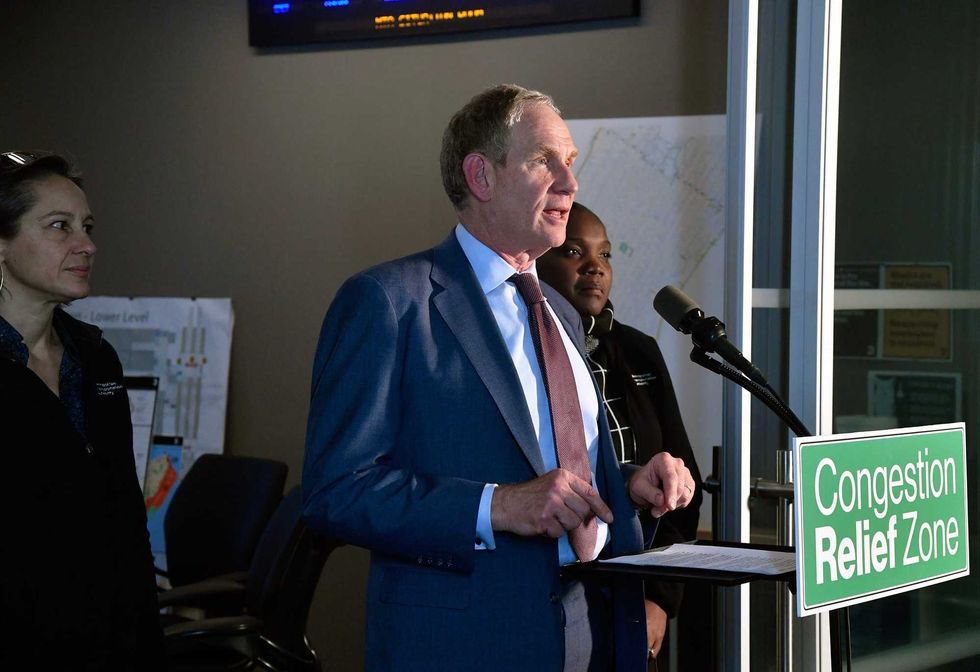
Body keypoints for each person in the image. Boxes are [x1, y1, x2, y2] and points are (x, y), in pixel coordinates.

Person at [302, 85, 697, 672]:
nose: (570, 183)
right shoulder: (388, 303)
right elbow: (336, 491)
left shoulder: (562, 313)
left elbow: (561, 461)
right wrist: (497, 507)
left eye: (572, 163)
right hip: (464, 643)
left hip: (592, 629)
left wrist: (629, 485)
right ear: (481, 176)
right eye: (545, 161)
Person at [0, 151, 163, 670]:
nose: (86, 245)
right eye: (58, 227)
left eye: (86, 226)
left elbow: (125, 514)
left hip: (110, 640)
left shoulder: (96, 359)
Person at [537, 202, 704, 664]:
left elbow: (682, 484)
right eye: (574, 252)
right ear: (537, 262)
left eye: (606, 255)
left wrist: (662, 600)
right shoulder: (528, 351)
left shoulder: (638, 349)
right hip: (558, 580)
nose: (595, 267)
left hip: (636, 580)